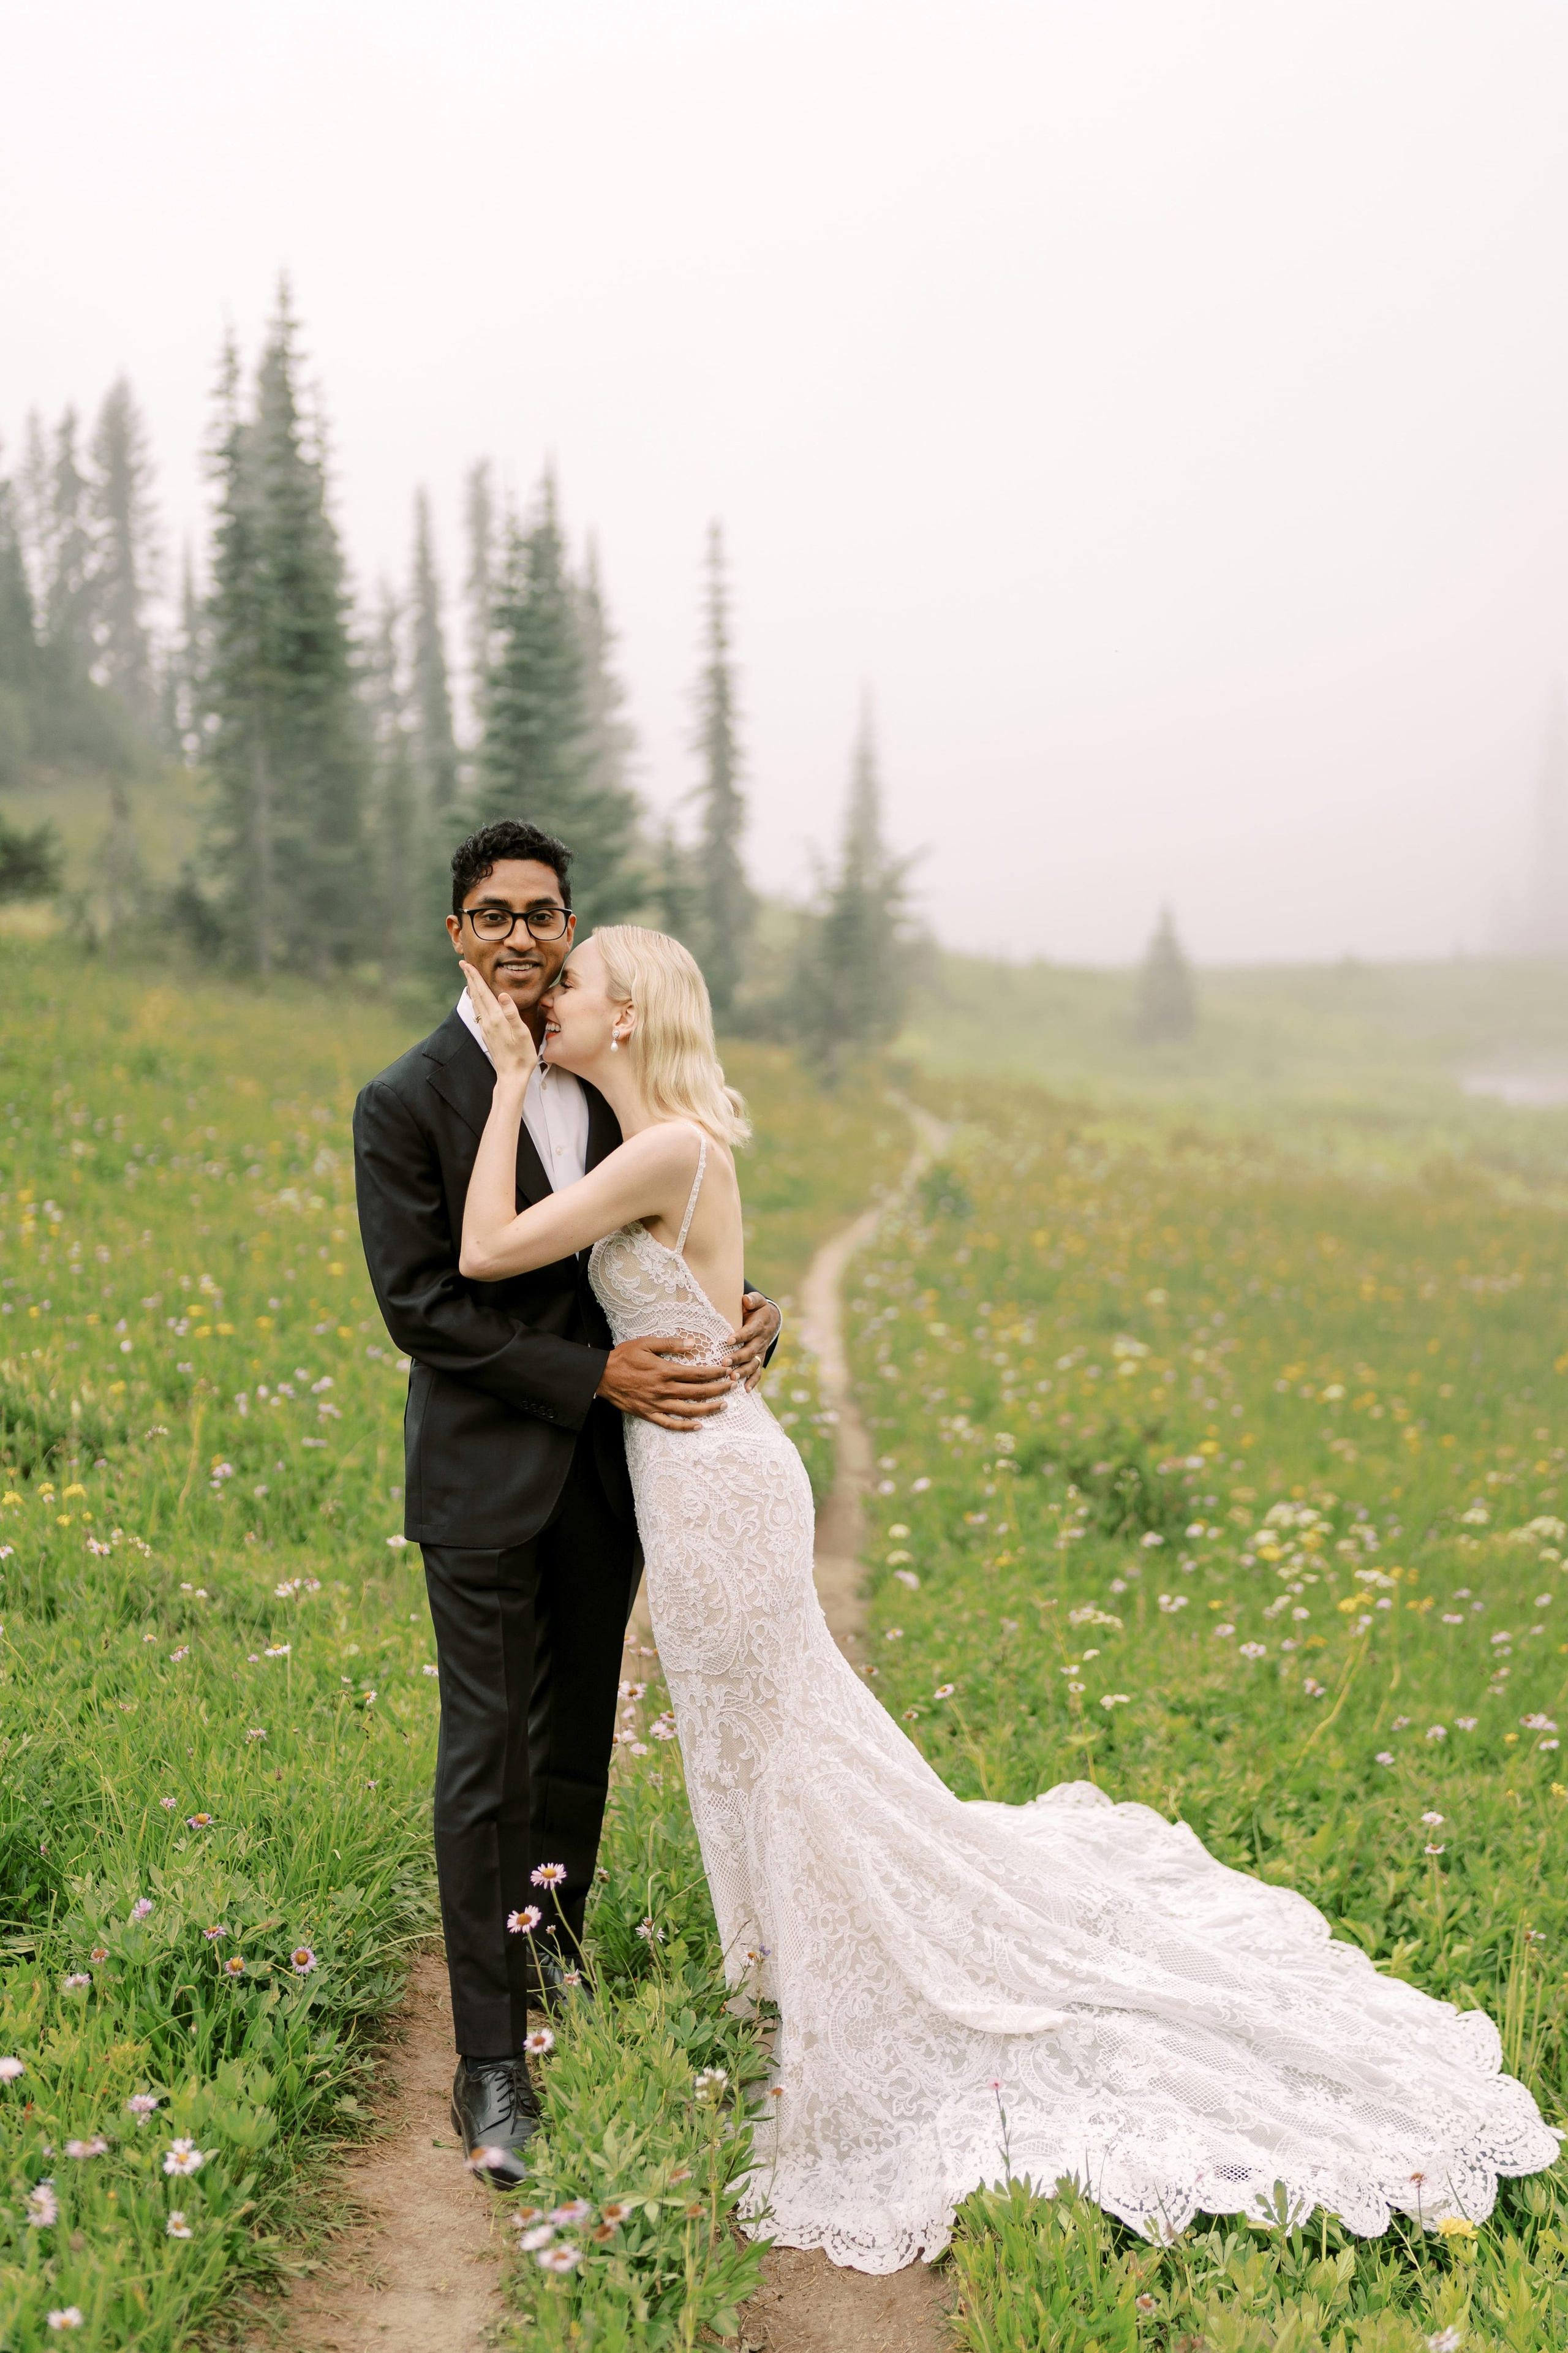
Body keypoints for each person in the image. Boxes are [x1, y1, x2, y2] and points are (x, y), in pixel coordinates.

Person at [456, 918, 1561, 2271]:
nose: (546, 995)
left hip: (718, 1484)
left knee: (782, 1740)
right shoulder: (652, 1135)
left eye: (571, 985)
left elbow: (488, 1252)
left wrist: (508, 1076)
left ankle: (844, 1974)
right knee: (746, 1738)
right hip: (694, 1474)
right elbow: (696, 1296)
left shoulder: (668, 1144)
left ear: (626, 1015)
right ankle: (784, 1962)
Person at [352, 820, 780, 2185]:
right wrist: (593, 1371)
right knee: (486, 1761)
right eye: (494, 914)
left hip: (617, 1477)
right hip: (484, 1475)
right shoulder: (404, 1097)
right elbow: (425, 1308)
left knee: (576, 1744)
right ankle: (487, 2061)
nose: (522, 937)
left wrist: (742, 1318)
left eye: (544, 915)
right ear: (455, 932)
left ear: (567, 928)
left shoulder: (600, 1067)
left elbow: (680, 1219)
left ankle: (553, 1965)